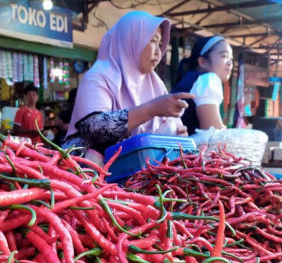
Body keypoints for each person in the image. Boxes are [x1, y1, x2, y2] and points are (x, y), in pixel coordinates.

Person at [63, 11, 193, 164]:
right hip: (85, 177)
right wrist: (153, 108)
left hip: (136, 175)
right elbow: (95, 128)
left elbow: (166, 129)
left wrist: (179, 136)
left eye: (160, 44)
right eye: (152, 40)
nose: (159, 51)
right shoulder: (98, 76)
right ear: (130, 40)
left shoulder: (155, 83)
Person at [172, 36, 233, 136]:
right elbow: (213, 135)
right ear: (202, 62)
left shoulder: (189, 79)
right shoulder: (208, 79)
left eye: (231, 58)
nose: (230, 63)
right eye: (224, 56)